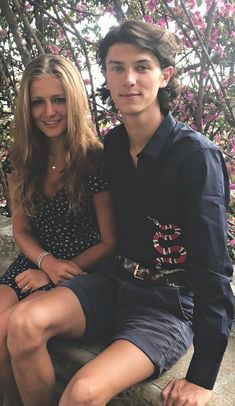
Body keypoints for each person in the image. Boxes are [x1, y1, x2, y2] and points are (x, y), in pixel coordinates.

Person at [4, 21, 234, 406]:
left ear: (165, 76)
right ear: (106, 79)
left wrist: (203, 375)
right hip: (112, 282)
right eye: (116, 68)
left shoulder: (196, 157)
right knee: (22, 324)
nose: (129, 79)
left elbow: (214, 268)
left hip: (167, 303)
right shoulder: (111, 147)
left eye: (142, 67)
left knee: (82, 392)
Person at [0, 54, 117, 405]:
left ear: (73, 100)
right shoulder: (18, 160)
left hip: (85, 270)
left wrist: (53, 274)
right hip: (37, 262)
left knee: (20, 327)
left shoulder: (94, 158)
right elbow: (20, 228)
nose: (48, 111)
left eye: (58, 99)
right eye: (38, 102)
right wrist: (44, 262)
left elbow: (111, 240)